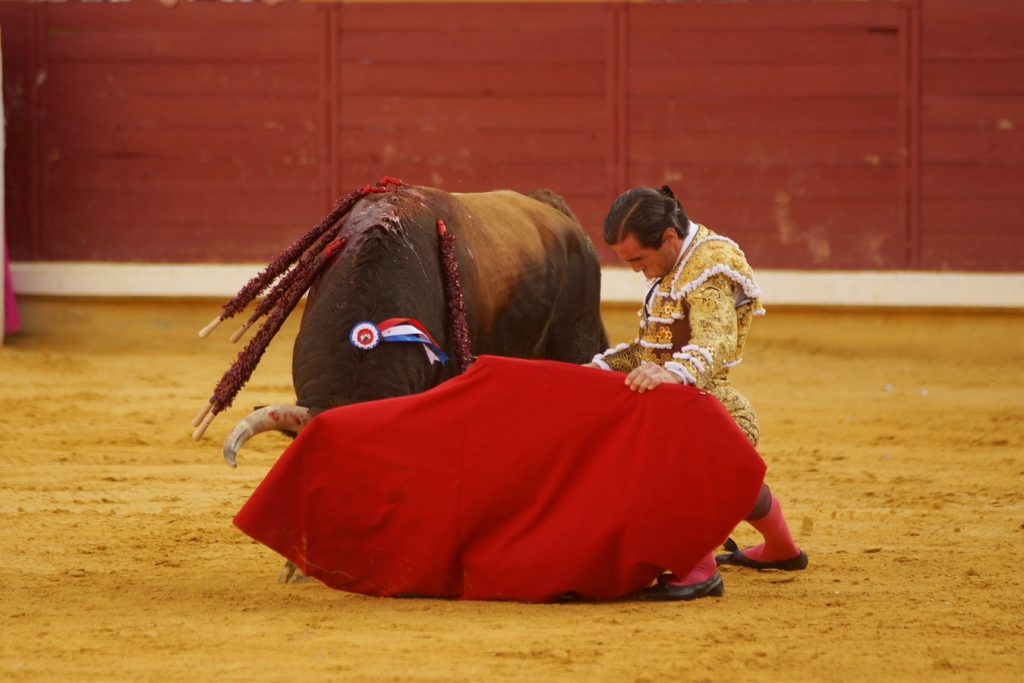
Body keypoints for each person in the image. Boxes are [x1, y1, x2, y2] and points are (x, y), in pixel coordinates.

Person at [588, 185, 808, 601]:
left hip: (712, 406)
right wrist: (597, 369)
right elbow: (650, 349)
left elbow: (716, 341)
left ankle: (698, 569)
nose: (636, 269)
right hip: (690, 397)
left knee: (664, 461)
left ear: (669, 238)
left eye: (639, 259)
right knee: (732, 481)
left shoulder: (709, 267)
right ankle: (782, 548)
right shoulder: (675, 265)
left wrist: (671, 376)